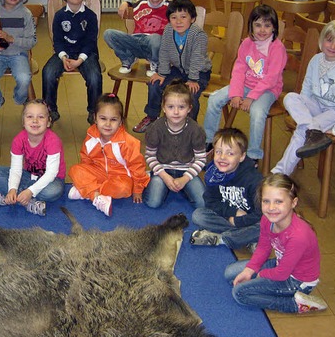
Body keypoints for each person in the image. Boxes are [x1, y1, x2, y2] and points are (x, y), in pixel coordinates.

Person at [223, 173, 328, 313]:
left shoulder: (299, 236)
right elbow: (263, 247)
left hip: (296, 281)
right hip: (281, 265)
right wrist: (250, 270)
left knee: (240, 293)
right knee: (230, 273)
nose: (271, 207)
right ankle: (267, 287)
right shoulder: (267, 219)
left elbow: (282, 274)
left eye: (278, 201)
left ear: (293, 203)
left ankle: (294, 305)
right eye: (266, 201)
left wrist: (261, 274)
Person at [272, 20, 335, 175]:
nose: (333, 46)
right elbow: (307, 87)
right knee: (290, 97)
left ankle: (280, 173)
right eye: (329, 40)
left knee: (302, 130)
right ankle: (313, 130)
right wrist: (304, 109)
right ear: (322, 40)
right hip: (317, 105)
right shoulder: (316, 59)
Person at [203, 5, 287, 166]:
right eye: (258, 25)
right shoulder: (247, 43)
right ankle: (210, 141)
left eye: (267, 25)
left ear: (274, 28)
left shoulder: (277, 48)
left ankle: (253, 155)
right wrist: (236, 93)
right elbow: (239, 69)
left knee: (257, 112)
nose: (262, 30)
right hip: (245, 85)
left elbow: (271, 78)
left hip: (267, 90)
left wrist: (250, 97)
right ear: (251, 26)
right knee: (214, 100)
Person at [133, 0, 211, 133]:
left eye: (183, 17)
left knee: (190, 94)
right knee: (154, 84)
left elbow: (197, 59)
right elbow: (163, 52)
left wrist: (192, 79)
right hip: (178, 69)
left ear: (192, 19)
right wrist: (162, 73)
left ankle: (189, 127)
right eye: (174, 17)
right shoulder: (169, 30)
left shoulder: (199, 35)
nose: (178, 21)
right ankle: (152, 117)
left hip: (198, 72)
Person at [68, 94, 150, 216]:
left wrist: (138, 189)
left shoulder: (128, 143)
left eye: (113, 119)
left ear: (121, 122)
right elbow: (85, 159)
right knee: (75, 170)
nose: (107, 124)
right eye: (103, 118)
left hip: (119, 177)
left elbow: (137, 167)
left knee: (124, 188)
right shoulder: (91, 136)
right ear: (95, 118)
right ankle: (96, 196)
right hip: (99, 173)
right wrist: (86, 174)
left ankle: (87, 191)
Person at [42, 0, 102, 124]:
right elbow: (57, 40)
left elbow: (90, 41)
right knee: (48, 73)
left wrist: (79, 60)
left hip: (87, 54)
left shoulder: (90, 16)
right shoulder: (59, 16)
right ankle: (50, 109)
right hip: (64, 53)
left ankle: (94, 111)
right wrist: (63, 57)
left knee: (95, 77)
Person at [0, 99, 66, 216]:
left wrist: (30, 191)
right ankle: (27, 202)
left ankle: (15, 197)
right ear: (23, 122)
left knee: (54, 191)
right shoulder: (18, 140)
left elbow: (51, 173)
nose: (35, 121)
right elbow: (16, 169)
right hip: (29, 176)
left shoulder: (53, 141)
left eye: (41, 117)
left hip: (52, 180)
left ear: (49, 122)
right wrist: (12, 189)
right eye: (30, 116)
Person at [190, 128, 263, 251]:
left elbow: (261, 214)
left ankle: (222, 239)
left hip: (252, 219)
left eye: (230, 153)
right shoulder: (214, 175)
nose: (222, 157)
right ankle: (246, 237)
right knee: (198, 216)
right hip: (230, 218)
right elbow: (211, 202)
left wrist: (240, 221)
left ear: (242, 156)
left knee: (270, 225)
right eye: (218, 152)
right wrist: (233, 213)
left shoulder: (254, 180)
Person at [143, 80, 206, 209]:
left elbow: (201, 158)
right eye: (171, 107)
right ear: (164, 108)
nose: (176, 112)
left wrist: (185, 178)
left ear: (189, 108)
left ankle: (180, 186)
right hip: (163, 170)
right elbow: (150, 156)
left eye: (181, 107)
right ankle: (156, 178)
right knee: (153, 202)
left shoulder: (196, 130)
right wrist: (164, 176)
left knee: (203, 203)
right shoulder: (156, 128)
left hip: (187, 170)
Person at [103, 0, 170, 78]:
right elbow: (131, 4)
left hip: (155, 45)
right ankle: (128, 58)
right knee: (108, 34)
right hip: (136, 41)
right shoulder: (141, 3)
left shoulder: (169, 7)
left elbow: (183, 12)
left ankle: (156, 65)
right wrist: (125, 3)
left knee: (156, 38)